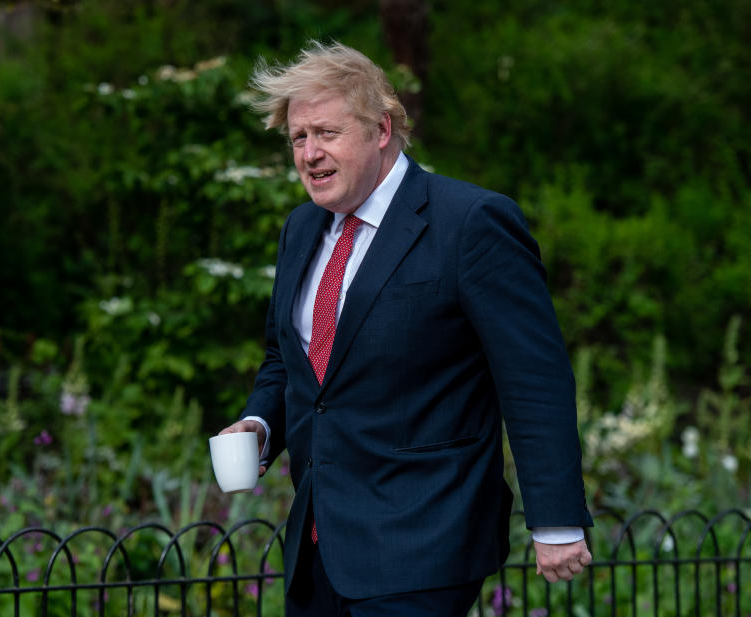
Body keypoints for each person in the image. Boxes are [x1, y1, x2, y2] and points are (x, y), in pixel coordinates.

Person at [218, 40, 593, 616]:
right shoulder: (300, 228)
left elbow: (533, 379)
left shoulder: (470, 223)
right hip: (318, 549)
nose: (309, 153)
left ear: (382, 130)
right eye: (298, 137)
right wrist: (259, 424)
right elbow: (289, 359)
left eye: (327, 133)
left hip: (425, 545)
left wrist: (558, 520)